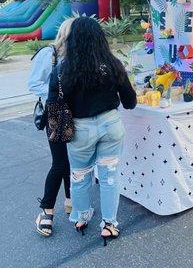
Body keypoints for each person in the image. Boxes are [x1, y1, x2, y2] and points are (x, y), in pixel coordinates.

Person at [47, 17, 137, 245]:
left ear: (73, 39)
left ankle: (81, 216)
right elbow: (130, 101)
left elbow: (53, 104)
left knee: (79, 176)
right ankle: (109, 224)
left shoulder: (60, 71)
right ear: (100, 38)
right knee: (109, 177)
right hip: (111, 126)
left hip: (80, 130)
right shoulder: (112, 63)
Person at [29, 18, 74, 237]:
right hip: (55, 112)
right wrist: (57, 92)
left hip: (77, 112)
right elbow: (34, 83)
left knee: (73, 160)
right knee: (60, 162)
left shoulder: (77, 56)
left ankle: (70, 199)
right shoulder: (49, 54)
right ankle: (46, 210)